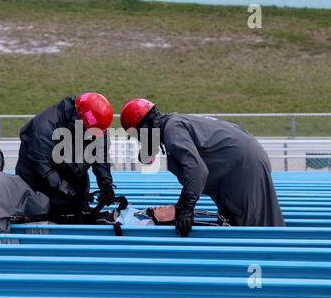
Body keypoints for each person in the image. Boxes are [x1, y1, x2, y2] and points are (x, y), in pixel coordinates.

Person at [120, 99, 286, 237]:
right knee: (243, 220)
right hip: (242, 161)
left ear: (144, 128)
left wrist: (186, 208)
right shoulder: (172, 125)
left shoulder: (172, 130)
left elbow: (197, 170)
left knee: (252, 228)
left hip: (242, 166)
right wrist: (181, 207)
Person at [15, 93, 116, 223]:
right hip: (38, 188)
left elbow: (100, 150)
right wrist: (70, 192)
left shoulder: (92, 121)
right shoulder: (43, 127)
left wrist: (105, 183)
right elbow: (43, 169)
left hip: (70, 179)